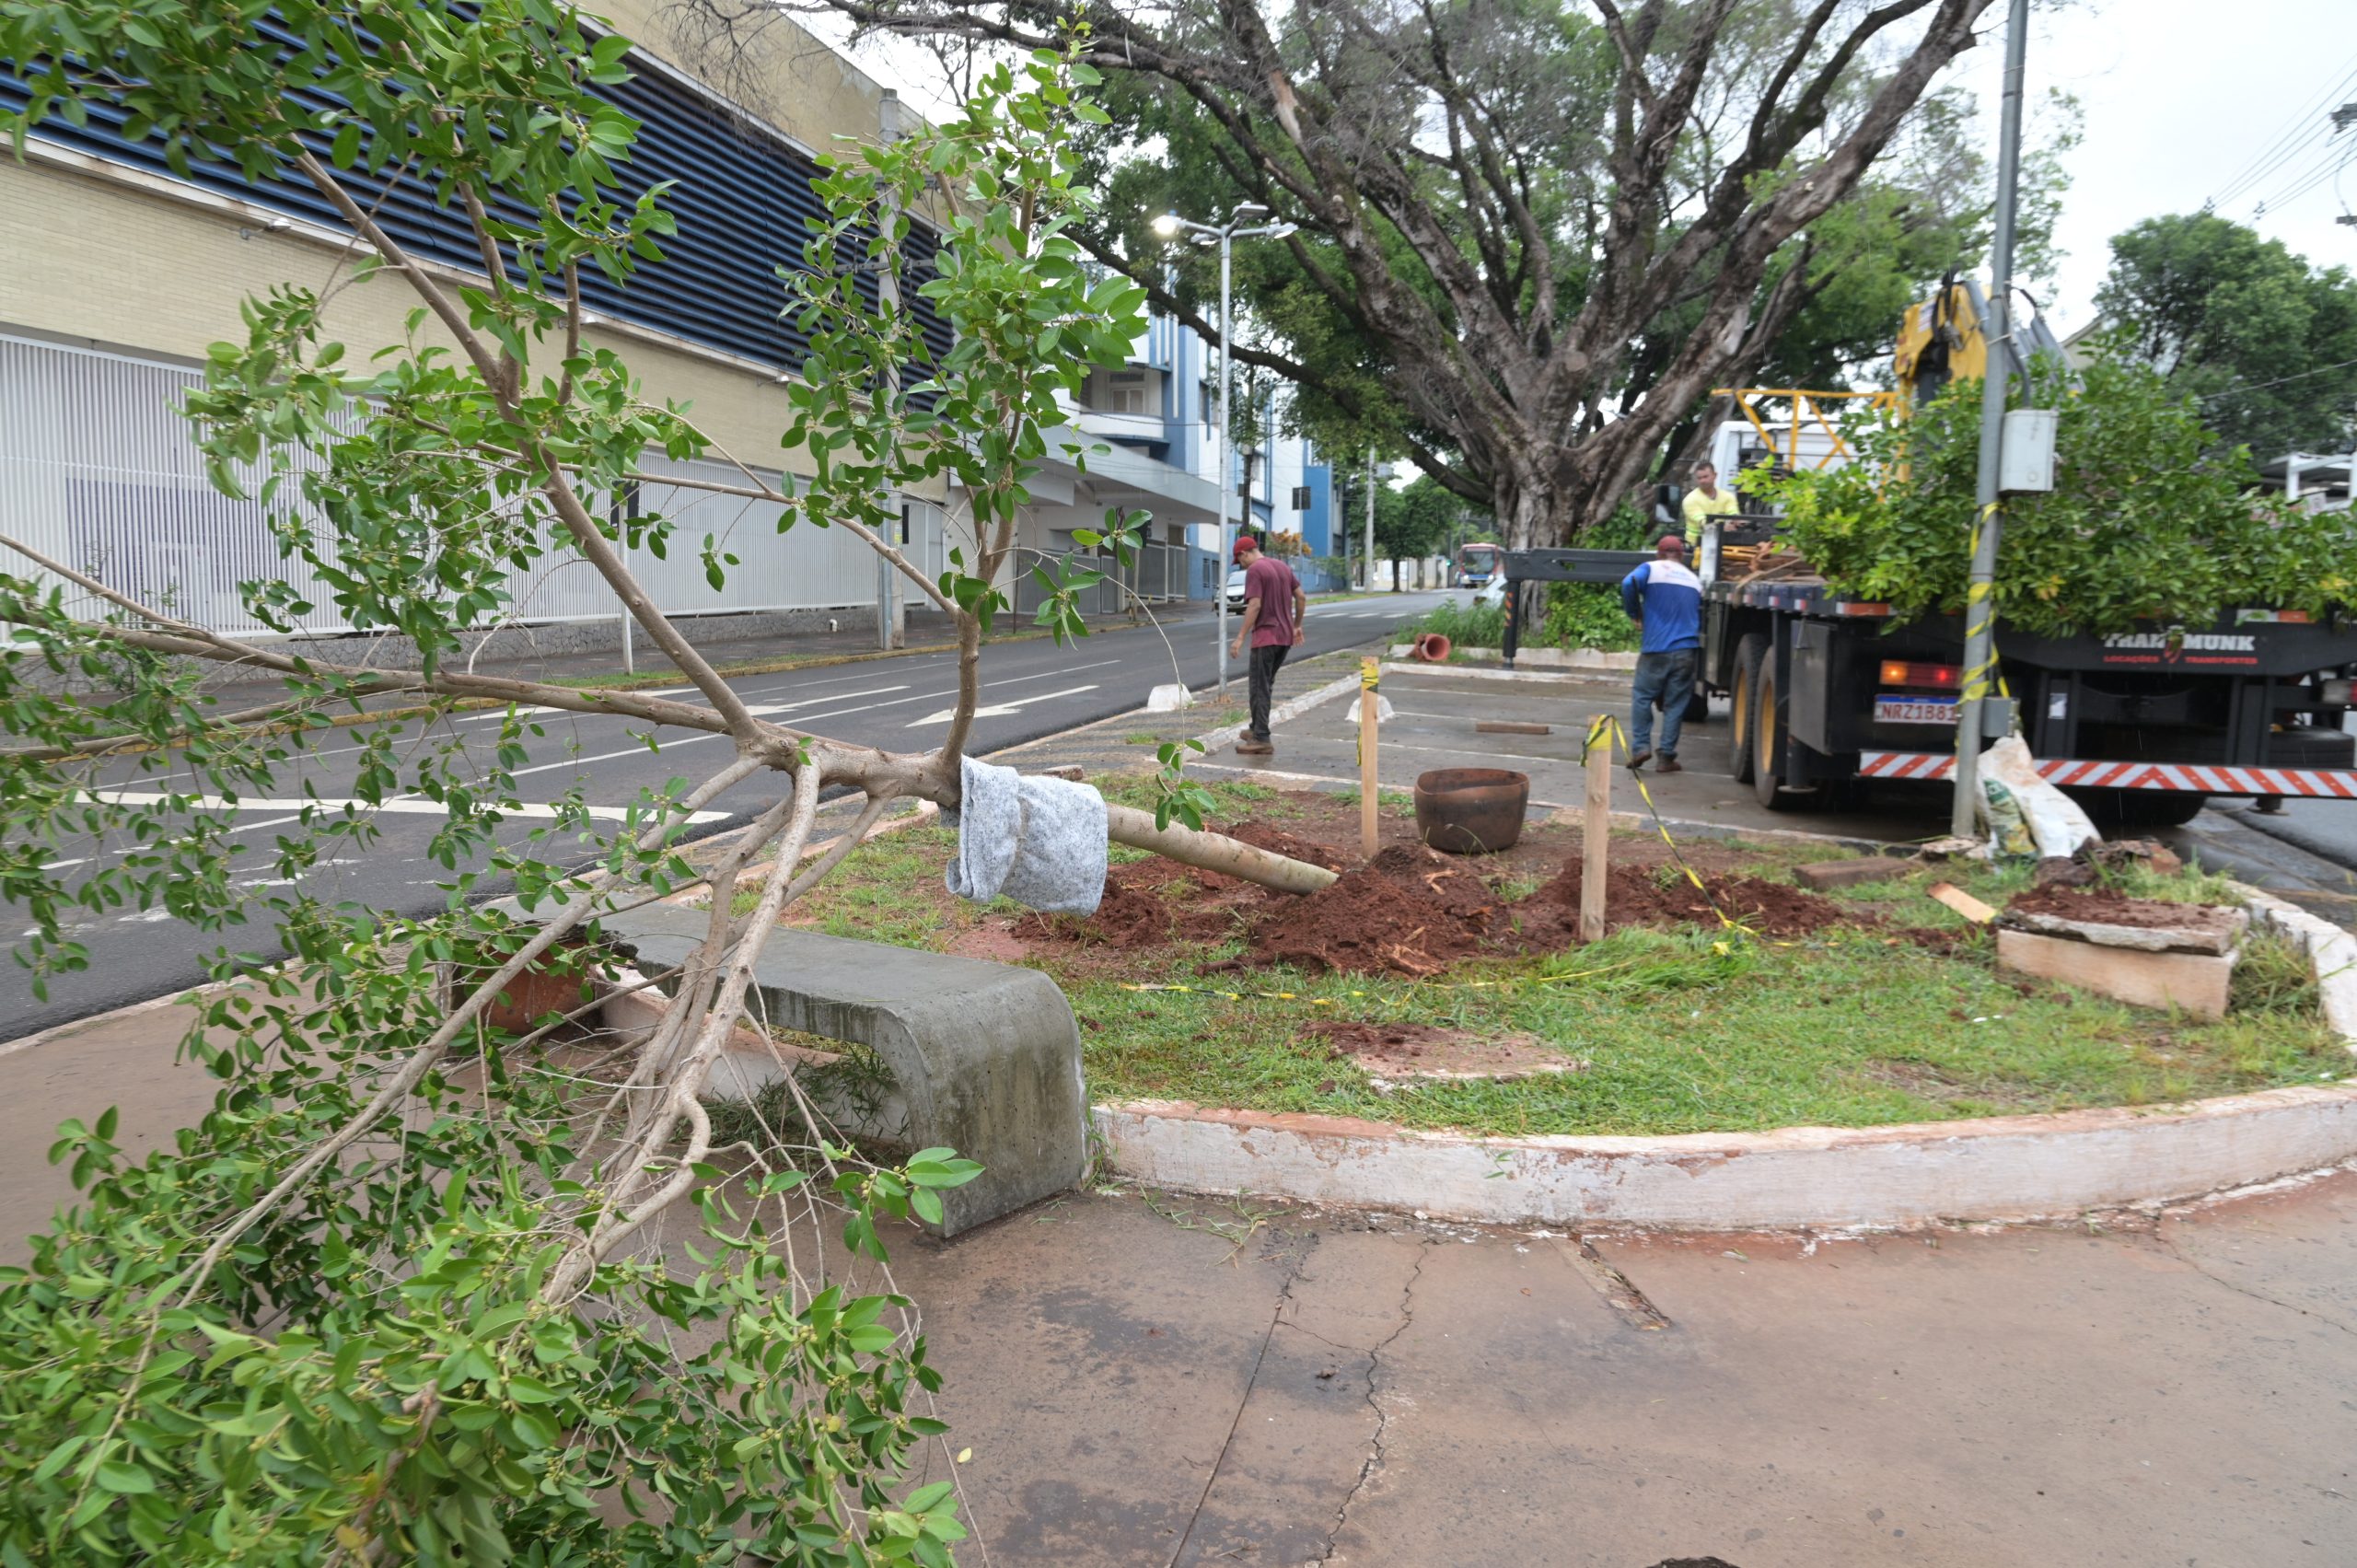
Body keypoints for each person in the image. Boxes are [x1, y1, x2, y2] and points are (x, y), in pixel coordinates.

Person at [1619, 535, 1702, 773]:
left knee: (1643, 697)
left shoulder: (1651, 568)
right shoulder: (1693, 579)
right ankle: (1666, 758)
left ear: (1658, 553)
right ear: (1682, 555)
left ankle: (1641, 747)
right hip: (1686, 650)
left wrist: (1634, 613)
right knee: (1675, 705)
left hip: (1657, 649)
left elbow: (1628, 583)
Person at [1229, 534, 1306, 756]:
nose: (1241, 565)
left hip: (1266, 637)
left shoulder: (1255, 570)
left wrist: (1241, 637)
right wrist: (1296, 625)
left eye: (1239, 560)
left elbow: (1254, 605)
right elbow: (1300, 597)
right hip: (1284, 638)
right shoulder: (1281, 566)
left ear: (1244, 554)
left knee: (1258, 687)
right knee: (1265, 684)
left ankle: (1261, 738)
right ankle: (1256, 728)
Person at [1680, 460, 1739, 548]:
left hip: (1723, 544)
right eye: (1699, 478)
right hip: (1696, 546)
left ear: (1715, 475)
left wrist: (1736, 521)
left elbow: (1733, 513)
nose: (1702, 481)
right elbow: (1702, 522)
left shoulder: (1728, 496)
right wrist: (1722, 528)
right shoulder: (1690, 500)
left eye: (1705, 477)